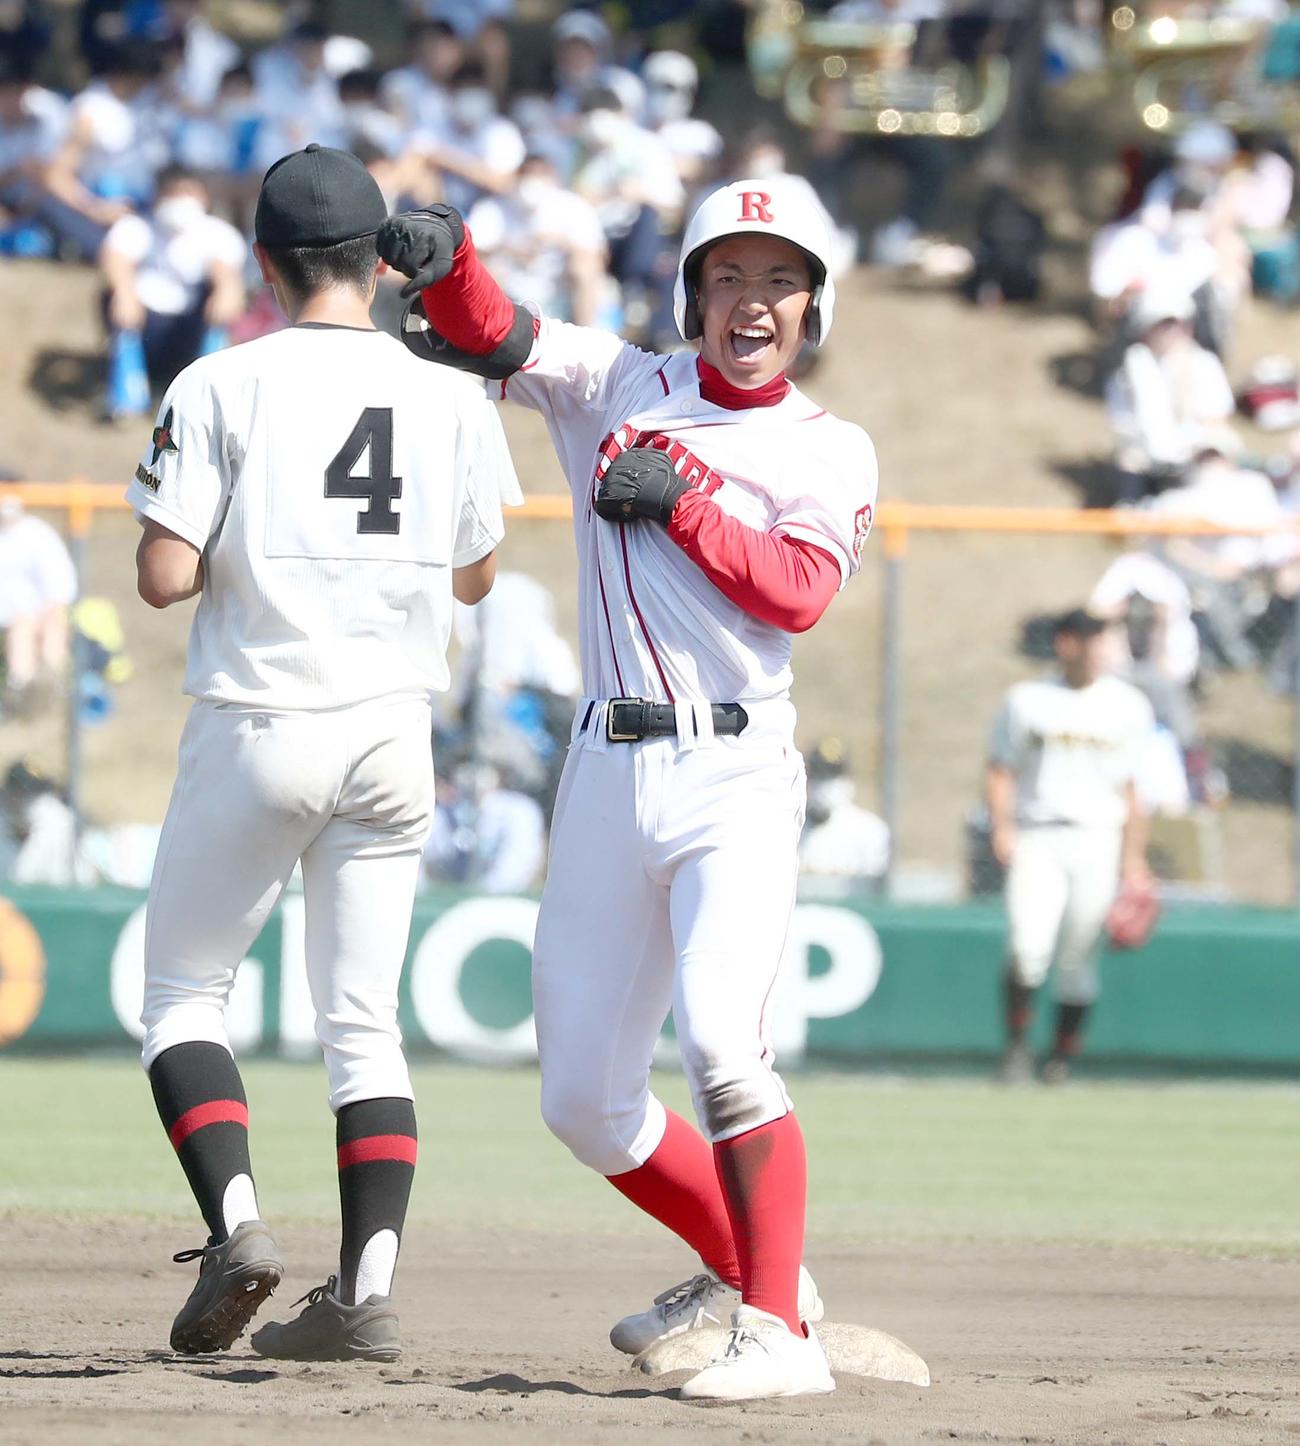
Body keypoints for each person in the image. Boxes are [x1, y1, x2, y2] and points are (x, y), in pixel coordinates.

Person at [379, 173, 878, 1400]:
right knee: (584, 1103)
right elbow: (497, 329)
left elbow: (799, 593)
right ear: (691, 291)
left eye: (778, 280)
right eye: (727, 274)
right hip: (606, 765)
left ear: (814, 306)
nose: (751, 303)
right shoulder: (620, 380)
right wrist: (446, 259)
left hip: (733, 768)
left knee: (723, 1046)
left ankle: (779, 1340)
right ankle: (756, 1274)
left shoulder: (829, 445)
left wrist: (691, 500)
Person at [126, 144, 520, 1362]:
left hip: (262, 717)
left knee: (184, 995)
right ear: (376, 261)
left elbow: (162, 578)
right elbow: (475, 577)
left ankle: (239, 1227)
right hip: (395, 733)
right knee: (364, 1024)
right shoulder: (452, 395)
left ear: (266, 261)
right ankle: (367, 1291)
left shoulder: (220, 380)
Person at [986, 608, 1155, 1086]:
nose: (1095, 648)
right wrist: (1002, 826)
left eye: (1101, 638)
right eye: (1086, 638)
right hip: (1038, 831)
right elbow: (1001, 768)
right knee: (1026, 945)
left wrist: (1134, 860)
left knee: (1079, 956)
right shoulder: (1028, 700)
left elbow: (1133, 789)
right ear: (1064, 643)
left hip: (1099, 837)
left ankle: (1060, 1059)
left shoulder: (1128, 704)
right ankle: (1016, 1049)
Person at [99, 164, 247, 415]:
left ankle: (208, 395)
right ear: (158, 196)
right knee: (112, 297)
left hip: (190, 327)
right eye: (172, 194)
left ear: (202, 196)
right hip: (145, 323)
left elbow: (224, 271)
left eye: (187, 193)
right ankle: (128, 395)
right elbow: (115, 257)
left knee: (221, 311)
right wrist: (124, 293)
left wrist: (226, 290)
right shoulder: (136, 227)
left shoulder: (218, 234)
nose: (180, 202)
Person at [467, 150, 608, 324]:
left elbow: (598, 255)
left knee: (585, 267)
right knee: (484, 268)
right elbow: (471, 251)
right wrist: (512, 248)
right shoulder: (493, 208)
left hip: (558, 289)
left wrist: (560, 242)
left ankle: (587, 332)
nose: (533, 181)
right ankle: (494, 332)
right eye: (528, 174)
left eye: (540, 174)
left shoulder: (573, 207)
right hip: (509, 288)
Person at [0, 496, 77, 713]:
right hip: (13, 617)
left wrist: (47, 612)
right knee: (22, 624)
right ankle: (21, 691)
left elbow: (60, 587)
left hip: (32, 614)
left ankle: (47, 685)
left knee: (45, 621)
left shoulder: (36, 534)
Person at [798, 737, 890, 894]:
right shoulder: (792, 829)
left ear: (846, 780)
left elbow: (876, 891)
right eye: (819, 776)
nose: (824, 785)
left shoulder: (870, 830)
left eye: (832, 776)